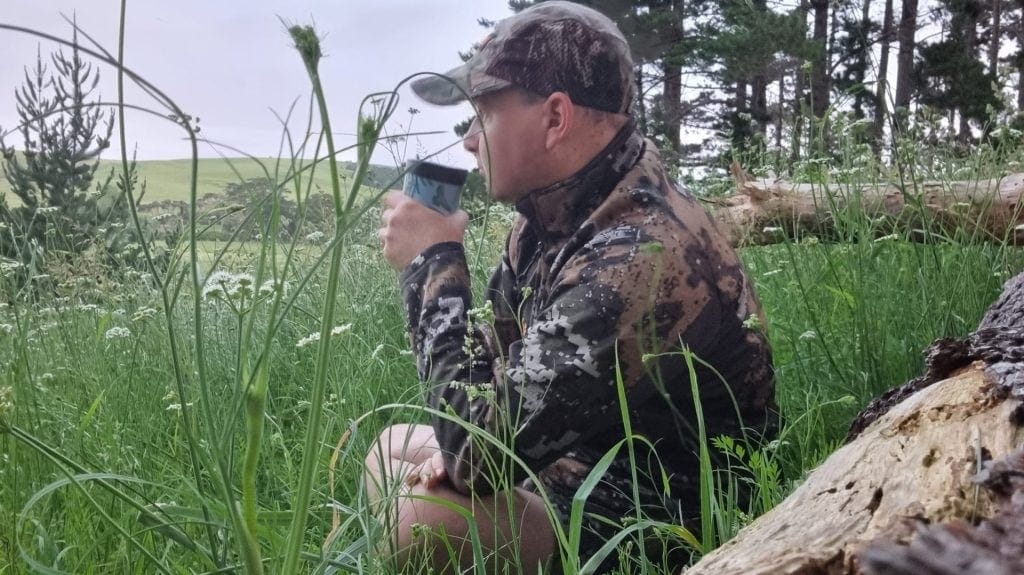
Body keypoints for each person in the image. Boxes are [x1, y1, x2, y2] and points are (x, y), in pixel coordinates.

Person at [368, 2, 778, 573]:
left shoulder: (636, 254)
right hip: (572, 467)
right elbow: (496, 391)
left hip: (662, 519)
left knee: (423, 522)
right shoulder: (550, 221)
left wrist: (432, 266)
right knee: (393, 449)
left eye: (481, 115)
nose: (466, 140)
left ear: (555, 118)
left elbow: (478, 452)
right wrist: (462, 456)